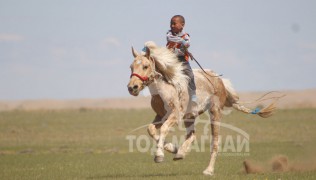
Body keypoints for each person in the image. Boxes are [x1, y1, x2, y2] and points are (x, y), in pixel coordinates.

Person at [166, 15, 197, 104]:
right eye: (171, 24)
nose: (172, 26)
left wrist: (183, 42)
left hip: (182, 59)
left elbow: (187, 44)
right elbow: (169, 38)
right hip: (170, 59)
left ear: (182, 25)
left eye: (174, 24)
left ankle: (193, 95)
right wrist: (181, 41)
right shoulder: (169, 34)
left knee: (190, 75)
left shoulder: (186, 36)